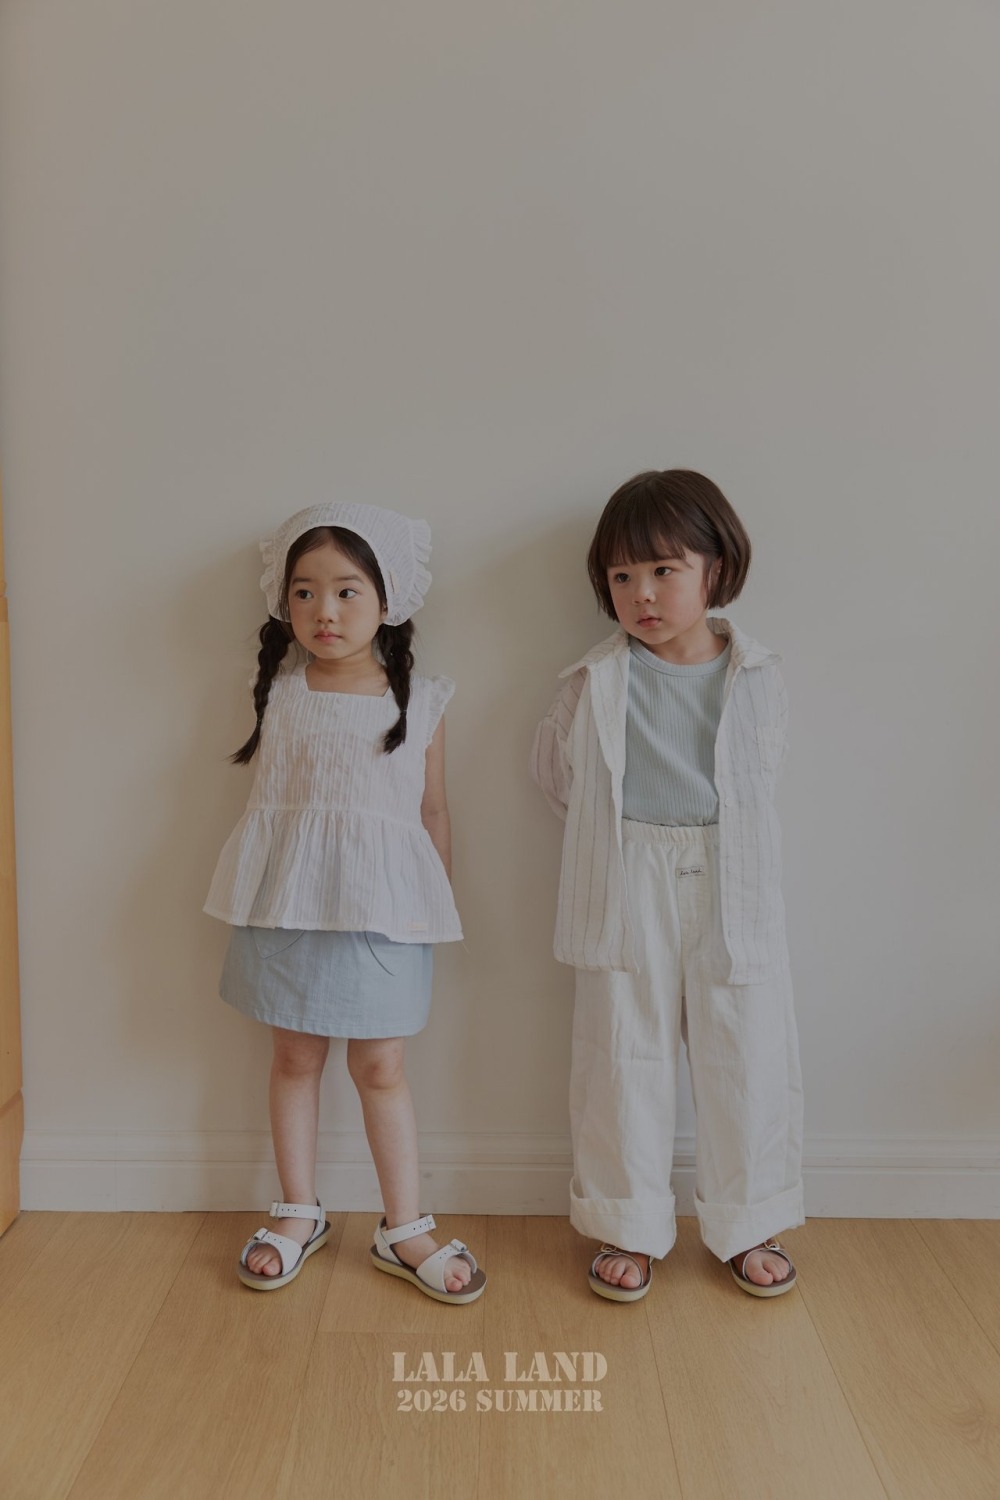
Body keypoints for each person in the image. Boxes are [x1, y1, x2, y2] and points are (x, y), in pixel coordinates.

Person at [530, 470, 803, 1301]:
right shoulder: (592, 683)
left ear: (716, 568)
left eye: (663, 570)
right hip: (627, 874)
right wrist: (626, 844)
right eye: (622, 576)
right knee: (621, 1051)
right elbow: (557, 778)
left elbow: (763, 777)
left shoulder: (757, 675)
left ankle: (748, 1220)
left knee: (745, 1049)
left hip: (730, 876)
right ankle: (628, 1224)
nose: (642, 594)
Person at [205, 502, 486, 1303]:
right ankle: (299, 1209)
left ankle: (404, 1226)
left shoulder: (421, 700)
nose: (323, 610)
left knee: (381, 1067)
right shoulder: (280, 692)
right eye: (304, 592)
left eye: (346, 590)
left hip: (383, 913)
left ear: (388, 598)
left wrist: (434, 905)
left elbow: (433, 811)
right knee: (294, 1059)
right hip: (288, 906)